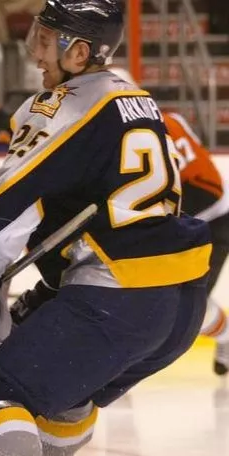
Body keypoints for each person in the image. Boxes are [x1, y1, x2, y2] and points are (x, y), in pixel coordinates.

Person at [0, 0, 211, 456]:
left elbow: (6, 206)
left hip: (117, 296)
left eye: (48, 38)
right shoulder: (134, 94)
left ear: (81, 51)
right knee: (66, 395)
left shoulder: (64, 104)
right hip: (179, 306)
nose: (36, 51)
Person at [110, 67, 229, 376]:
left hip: (213, 223)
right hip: (188, 224)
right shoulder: (112, 139)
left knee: (182, 304)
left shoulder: (165, 125)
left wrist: (162, 227)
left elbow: (209, 188)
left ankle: (228, 336)